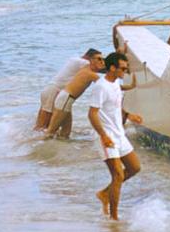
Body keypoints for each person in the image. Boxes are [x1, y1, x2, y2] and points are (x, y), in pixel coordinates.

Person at [89, 51, 143, 220]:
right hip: (106, 136)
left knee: (134, 168)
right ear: (112, 68)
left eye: (126, 69)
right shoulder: (101, 86)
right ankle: (114, 218)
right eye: (122, 69)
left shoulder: (115, 84)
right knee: (118, 175)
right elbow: (92, 114)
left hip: (120, 133)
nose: (124, 72)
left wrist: (129, 115)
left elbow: (114, 107)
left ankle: (105, 194)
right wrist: (104, 136)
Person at [35, 48, 104, 133]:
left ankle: (36, 138)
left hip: (50, 89)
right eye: (99, 59)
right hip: (54, 91)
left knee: (44, 122)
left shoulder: (74, 59)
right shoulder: (83, 63)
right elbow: (102, 69)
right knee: (44, 125)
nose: (101, 61)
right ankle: (35, 141)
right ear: (89, 58)